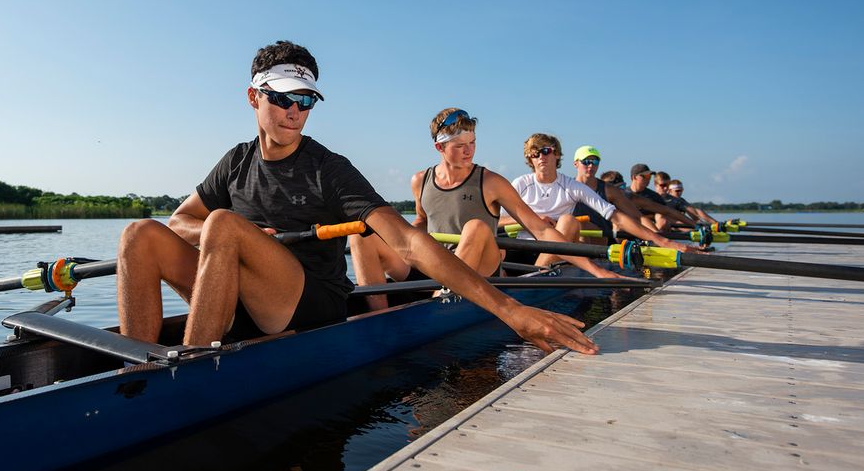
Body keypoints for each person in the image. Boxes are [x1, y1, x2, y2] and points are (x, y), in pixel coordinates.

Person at [117, 43, 598, 355]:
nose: (294, 112)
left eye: (305, 101)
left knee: (223, 223)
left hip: (306, 301)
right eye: (283, 98)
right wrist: (238, 241)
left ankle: (192, 375)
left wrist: (511, 311)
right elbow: (181, 220)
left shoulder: (330, 168)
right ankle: (134, 371)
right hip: (242, 295)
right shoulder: (236, 161)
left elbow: (409, 243)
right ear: (252, 97)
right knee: (140, 234)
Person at [350, 109, 623, 312]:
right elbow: (420, 222)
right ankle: (378, 317)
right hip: (434, 264)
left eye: (472, 143)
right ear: (439, 147)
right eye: (460, 146)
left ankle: (436, 308)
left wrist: (596, 270)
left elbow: (541, 230)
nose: (469, 151)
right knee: (362, 233)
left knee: (476, 227)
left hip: (482, 268)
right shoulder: (420, 180)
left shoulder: (492, 182)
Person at [499, 136, 696, 261]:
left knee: (568, 222)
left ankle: (534, 276)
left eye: (546, 151)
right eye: (535, 153)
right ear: (529, 159)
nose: (540, 157)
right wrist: (533, 220)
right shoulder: (520, 183)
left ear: (557, 155)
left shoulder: (572, 186)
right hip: (521, 246)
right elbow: (498, 221)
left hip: (555, 251)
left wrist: (662, 241)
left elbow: (615, 217)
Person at [624, 164, 697, 231]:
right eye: (645, 176)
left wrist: (694, 226)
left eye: (649, 176)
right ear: (634, 177)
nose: (648, 179)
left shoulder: (655, 197)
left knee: (662, 219)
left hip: (652, 230)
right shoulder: (622, 194)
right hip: (629, 227)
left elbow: (668, 214)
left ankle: (656, 240)